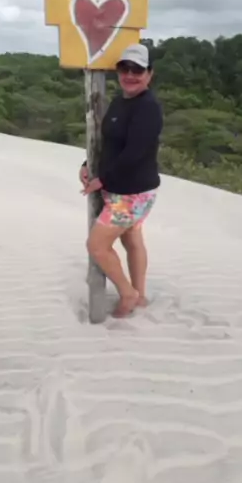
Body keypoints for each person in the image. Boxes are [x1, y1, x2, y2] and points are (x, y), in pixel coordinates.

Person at [79, 43, 163, 318]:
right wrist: (87, 165)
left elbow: (135, 152)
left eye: (137, 70)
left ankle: (128, 294)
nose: (129, 75)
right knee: (132, 239)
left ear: (149, 74)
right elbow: (108, 144)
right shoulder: (119, 102)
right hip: (120, 189)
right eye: (124, 69)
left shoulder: (148, 108)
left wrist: (102, 179)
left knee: (97, 245)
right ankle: (140, 295)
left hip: (133, 193)